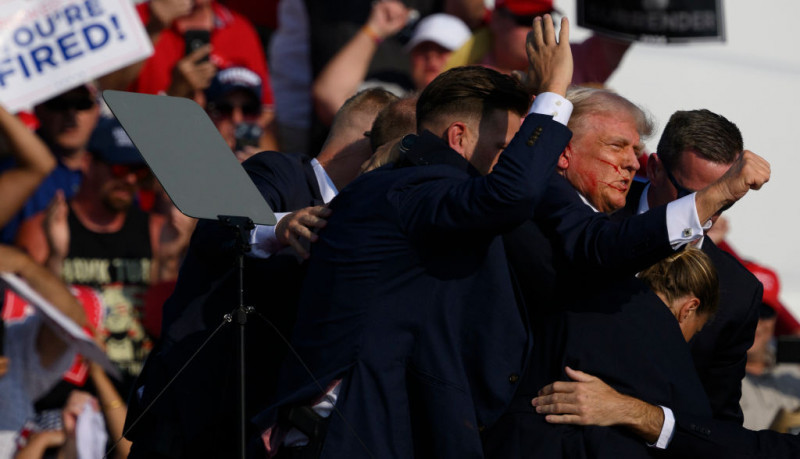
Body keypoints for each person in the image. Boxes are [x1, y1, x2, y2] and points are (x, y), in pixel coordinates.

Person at [254, 15, 574, 458]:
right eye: (504, 150)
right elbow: (511, 194)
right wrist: (554, 91)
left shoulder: (412, 189)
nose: (510, 164)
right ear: (458, 137)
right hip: (345, 440)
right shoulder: (407, 187)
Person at [125, 88, 398, 458]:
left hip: (259, 425)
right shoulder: (278, 171)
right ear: (373, 145)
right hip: (194, 413)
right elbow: (218, 224)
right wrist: (281, 228)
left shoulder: (363, 217)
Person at [612, 109, 764, 423]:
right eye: (693, 197)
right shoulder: (594, 216)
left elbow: (715, 421)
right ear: (654, 169)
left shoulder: (737, 293)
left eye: (726, 200)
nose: (707, 216)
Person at [311, 6, 472, 124]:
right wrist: (375, 29)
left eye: (443, 50)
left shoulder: (479, 111)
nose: (431, 56)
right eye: (422, 48)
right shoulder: (394, 102)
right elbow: (329, 97)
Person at [2, 86, 101, 259]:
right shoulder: (14, 170)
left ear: (97, 110)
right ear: (38, 109)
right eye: (58, 104)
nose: (71, 116)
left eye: (82, 104)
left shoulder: (121, 168)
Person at [446, 0, 632, 87]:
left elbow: (624, 28)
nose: (538, 28)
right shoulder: (465, 65)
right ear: (496, 20)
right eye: (526, 20)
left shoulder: (572, 58)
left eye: (547, 20)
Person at [740, 261, 800, 431]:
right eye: (748, 310)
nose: (756, 321)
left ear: (775, 319)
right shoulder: (708, 375)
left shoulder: (794, 370)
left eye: (764, 312)